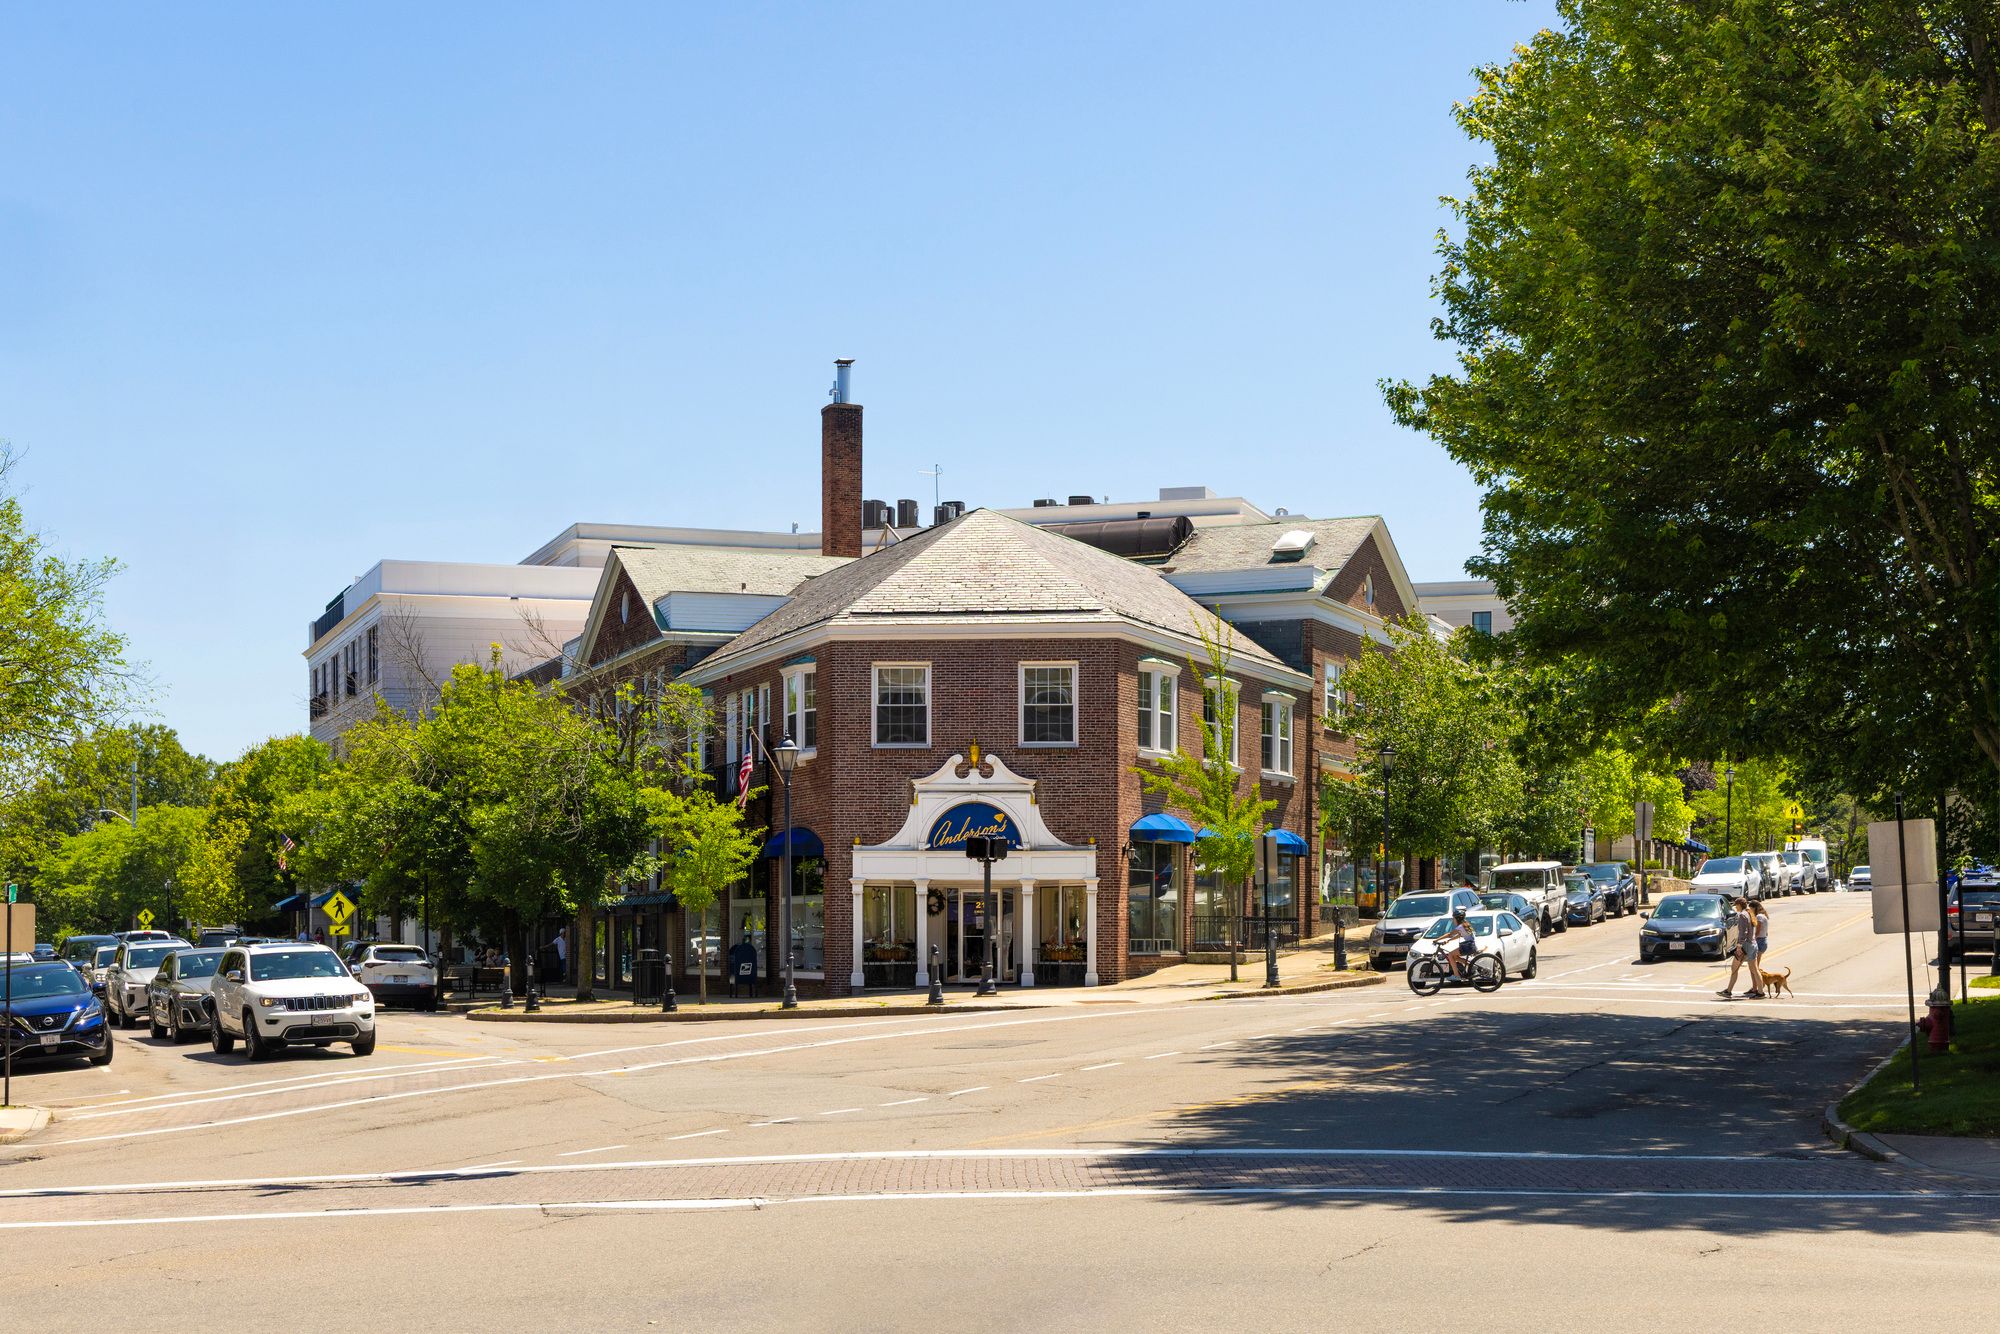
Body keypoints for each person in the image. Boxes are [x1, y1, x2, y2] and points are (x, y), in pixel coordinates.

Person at [1718, 896, 1764, 999]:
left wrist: (1739, 945)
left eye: (1736, 905)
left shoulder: (1743, 915)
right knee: (1755, 969)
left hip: (1745, 945)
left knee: (1734, 968)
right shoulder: (1749, 913)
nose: (1735, 907)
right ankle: (1760, 992)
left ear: (1739, 905)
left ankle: (1728, 991)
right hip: (1753, 944)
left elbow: (1743, 932)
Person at [1439, 907, 1477, 978]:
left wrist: (1437, 940)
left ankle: (1456, 975)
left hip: (1468, 946)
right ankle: (1471, 966)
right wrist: (1449, 940)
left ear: (1457, 919)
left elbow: (1449, 934)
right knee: (1455, 957)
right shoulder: (1465, 924)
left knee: (1450, 955)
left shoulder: (1460, 927)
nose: (1453, 920)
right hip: (1471, 945)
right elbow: (1459, 935)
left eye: (1453, 918)